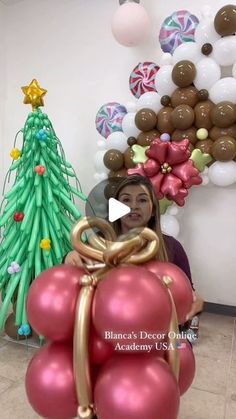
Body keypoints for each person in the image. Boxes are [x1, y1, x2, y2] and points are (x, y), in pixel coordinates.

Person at [64, 174, 203, 321]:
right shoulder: (99, 242)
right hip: (105, 328)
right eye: (126, 200)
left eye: (142, 200)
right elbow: (73, 285)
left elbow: (188, 294)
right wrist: (68, 258)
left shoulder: (172, 247)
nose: (134, 206)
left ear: (153, 208)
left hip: (152, 333)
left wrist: (195, 302)